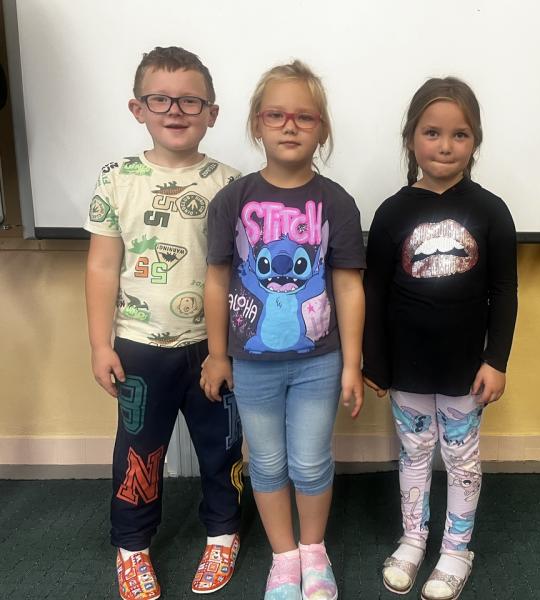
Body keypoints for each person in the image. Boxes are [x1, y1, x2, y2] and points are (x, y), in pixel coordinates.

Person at [200, 59, 366, 600]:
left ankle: (314, 554)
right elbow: (217, 279)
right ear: (257, 124)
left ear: (322, 128)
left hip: (319, 361)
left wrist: (352, 363)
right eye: (276, 115)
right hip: (251, 363)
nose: (289, 126)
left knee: (311, 462)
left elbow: (348, 287)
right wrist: (218, 354)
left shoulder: (336, 202)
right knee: (267, 462)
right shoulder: (233, 200)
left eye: (304, 117)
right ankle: (283, 557)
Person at [84, 46, 243, 600]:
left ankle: (223, 534)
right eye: (160, 99)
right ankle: (132, 547)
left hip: (213, 346)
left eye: (190, 101)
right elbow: (102, 266)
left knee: (222, 447)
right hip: (138, 348)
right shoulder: (116, 179)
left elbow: (239, 271)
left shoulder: (231, 184)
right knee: (139, 451)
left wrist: (230, 348)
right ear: (138, 108)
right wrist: (99, 345)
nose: (175, 110)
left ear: (212, 113)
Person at [363, 77, 518, 600]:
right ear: (411, 138)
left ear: (475, 142)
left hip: (465, 368)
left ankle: (456, 549)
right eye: (432, 133)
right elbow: (374, 291)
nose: (445, 146)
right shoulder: (392, 212)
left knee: (461, 458)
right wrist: (374, 360)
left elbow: (505, 290)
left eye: (460, 135)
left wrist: (496, 359)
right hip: (407, 365)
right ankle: (413, 539)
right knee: (413, 453)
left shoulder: (492, 211)